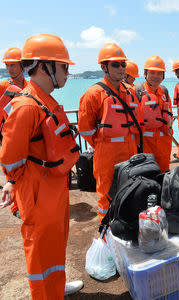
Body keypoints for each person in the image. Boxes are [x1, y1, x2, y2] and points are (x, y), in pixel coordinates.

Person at [0, 34, 83, 298]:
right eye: (64, 67)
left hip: (53, 190)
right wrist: (15, 183)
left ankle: (56, 288)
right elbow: (10, 158)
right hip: (38, 195)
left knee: (55, 246)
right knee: (39, 254)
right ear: (45, 66)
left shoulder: (44, 100)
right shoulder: (26, 106)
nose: (67, 73)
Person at [78, 43, 139, 221]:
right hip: (107, 155)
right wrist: (104, 144)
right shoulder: (93, 94)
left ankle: (126, 227)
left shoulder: (128, 91)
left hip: (130, 151)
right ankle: (107, 231)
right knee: (107, 197)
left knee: (130, 192)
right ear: (104, 67)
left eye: (123, 64)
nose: (121, 68)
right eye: (115, 64)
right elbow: (85, 129)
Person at [0, 47, 29, 218]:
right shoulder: (3, 86)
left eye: (13, 65)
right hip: (7, 136)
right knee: (11, 174)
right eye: (7, 65)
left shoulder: (28, 86)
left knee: (24, 173)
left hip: (24, 136)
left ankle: (23, 202)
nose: (10, 69)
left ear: (22, 65)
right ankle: (15, 207)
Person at [136, 55, 173, 172]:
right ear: (145, 73)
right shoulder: (137, 92)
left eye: (159, 73)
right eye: (152, 73)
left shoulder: (164, 93)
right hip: (145, 146)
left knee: (163, 177)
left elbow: (169, 117)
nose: (156, 76)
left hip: (164, 147)